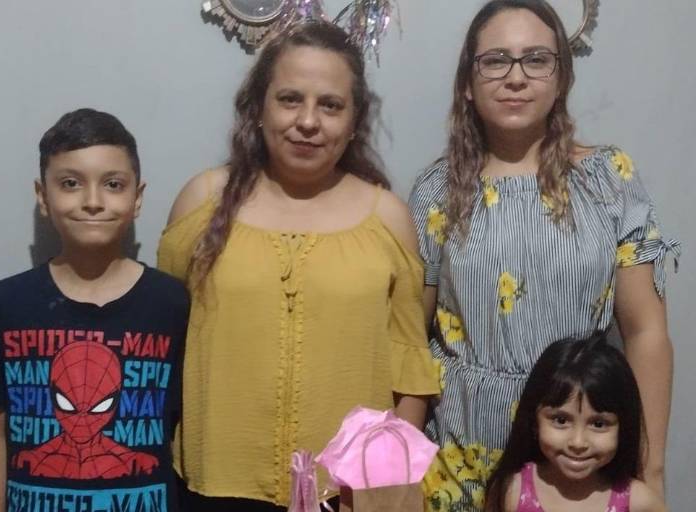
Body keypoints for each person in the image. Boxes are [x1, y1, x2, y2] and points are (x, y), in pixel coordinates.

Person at [408, 1, 679, 510]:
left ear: (561, 78)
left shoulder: (609, 180)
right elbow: (409, 342)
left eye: (536, 59)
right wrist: (396, 464)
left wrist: (651, 469)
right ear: (468, 82)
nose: (516, 77)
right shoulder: (436, 192)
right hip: (458, 460)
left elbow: (646, 332)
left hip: (577, 461)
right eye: (496, 60)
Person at [158, 21, 438, 511]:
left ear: (354, 120)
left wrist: (383, 487)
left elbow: (410, 373)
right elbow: (160, 344)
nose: (308, 121)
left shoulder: (388, 219)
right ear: (259, 108)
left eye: (330, 105)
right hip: (216, 485)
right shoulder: (201, 203)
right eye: (290, 99)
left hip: (346, 493)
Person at [0, 108, 189, 512]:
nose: (93, 202)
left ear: (137, 198)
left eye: (113, 184)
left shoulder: (171, 304)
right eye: (70, 183)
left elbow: (186, 428)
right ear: (42, 196)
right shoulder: (7, 303)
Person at [484, 334, 666, 512]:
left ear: (623, 428)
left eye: (598, 424)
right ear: (534, 421)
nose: (578, 443)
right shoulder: (512, 492)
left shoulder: (639, 502)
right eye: (561, 420)